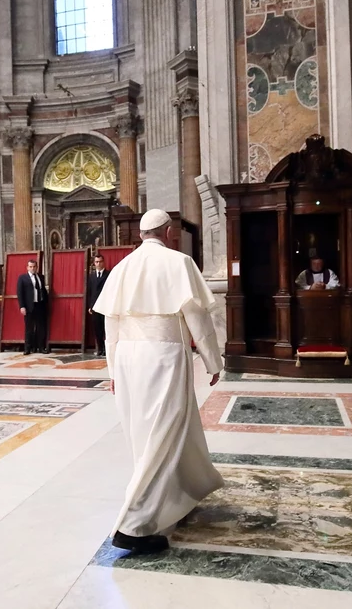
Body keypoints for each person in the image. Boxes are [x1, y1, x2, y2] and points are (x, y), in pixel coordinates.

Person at [93, 209, 224, 555]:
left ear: (141, 234)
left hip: (126, 359)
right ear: (168, 232)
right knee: (164, 432)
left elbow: (111, 326)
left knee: (147, 432)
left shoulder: (121, 267)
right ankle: (134, 526)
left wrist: (111, 371)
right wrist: (213, 360)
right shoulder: (178, 263)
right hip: (163, 356)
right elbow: (196, 316)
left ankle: (181, 494)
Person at [16, 259, 48, 355]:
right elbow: (20, 293)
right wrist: (22, 306)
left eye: (34, 266)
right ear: (27, 267)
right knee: (29, 328)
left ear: (37, 267)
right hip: (29, 306)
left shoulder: (41, 277)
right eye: (30, 266)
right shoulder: (22, 278)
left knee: (41, 327)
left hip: (40, 304)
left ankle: (41, 347)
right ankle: (27, 348)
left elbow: (43, 291)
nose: (32, 268)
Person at [86, 253, 110, 356]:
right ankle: (100, 349)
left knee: (106, 329)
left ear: (103, 262)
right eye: (96, 262)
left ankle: (106, 349)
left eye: (100, 261)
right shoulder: (91, 276)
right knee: (97, 329)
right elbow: (90, 292)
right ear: (94, 263)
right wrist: (90, 306)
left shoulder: (109, 274)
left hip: (105, 306)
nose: (98, 264)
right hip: (95, 307)